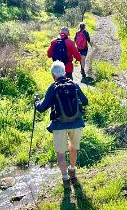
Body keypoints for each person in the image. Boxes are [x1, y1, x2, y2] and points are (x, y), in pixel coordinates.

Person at [35, 61, 89, 190]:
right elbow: (85, 101)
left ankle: (65, 179)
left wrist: (36, 101)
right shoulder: (74, 84)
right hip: (76, 123)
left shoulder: (53, 87)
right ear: (65, 72)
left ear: (53, 75)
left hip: (59, 125)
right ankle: (72, 172)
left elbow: (41, 108)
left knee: (60, 153)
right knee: (73, 148)